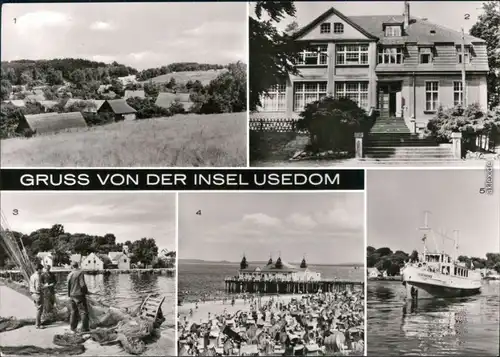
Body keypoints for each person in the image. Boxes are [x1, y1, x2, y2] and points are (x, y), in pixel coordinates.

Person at [67, 262, 90, 333]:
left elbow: (68, 286)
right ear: (78, 266)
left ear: (72, 266)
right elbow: (82, 285)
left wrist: (69, 295)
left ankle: (72, 328)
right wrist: (86, 292)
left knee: (73, 312)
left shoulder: (69, 274)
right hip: (79, 295)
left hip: (72, 295)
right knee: (83, 312)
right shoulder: (80, 273)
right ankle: (85, 329)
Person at [29, 263, 46, 329]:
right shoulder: (38, 276)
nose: (42, 271)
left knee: (38, 309)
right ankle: (38, 324)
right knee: (39, 310)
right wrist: (45, 286)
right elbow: (38, 288)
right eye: (41, 269)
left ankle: (38, 323)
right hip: (38, 294)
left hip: (33, 294)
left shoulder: (32, 276)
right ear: (38, 269)